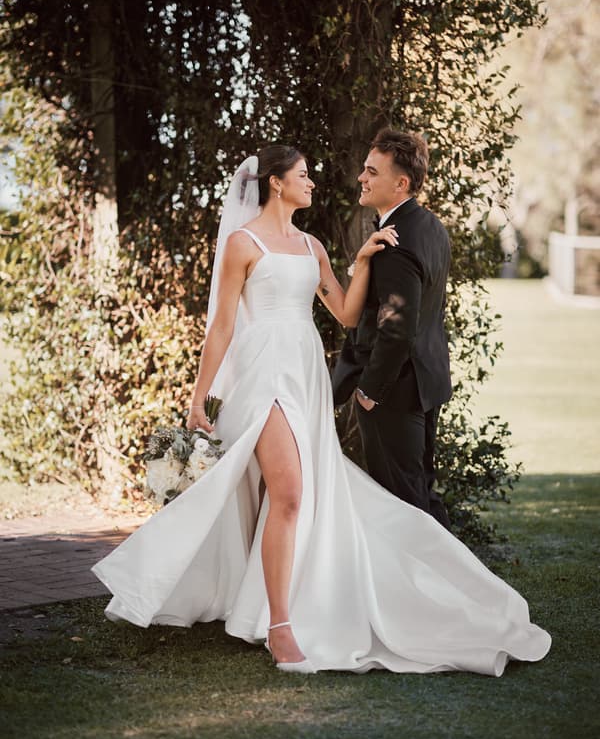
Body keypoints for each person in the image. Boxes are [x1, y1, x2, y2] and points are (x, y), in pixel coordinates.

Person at [92, 144, 551, 676]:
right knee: (287, 492)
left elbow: (347, 313)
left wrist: (359, 263)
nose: (313, 182)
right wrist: (200, 396)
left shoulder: (312, 247)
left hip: (303, 372)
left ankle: (262, 602)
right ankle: (280, 626)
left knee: (287, 496)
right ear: (275, 184)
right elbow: (220, 327)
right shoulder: (242, 244)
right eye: (303, 175)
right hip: (262, 371)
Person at [333, 128, 452, 529]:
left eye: (371, 172)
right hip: (425, 383)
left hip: (394, 392)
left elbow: (397, 327)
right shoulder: (431, 227)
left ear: (400, 183)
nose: (362, 178)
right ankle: (452, 584)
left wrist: (369, 390)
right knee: (420, 493)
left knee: (401, 502)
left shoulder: (396, 240)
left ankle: (435, 586)